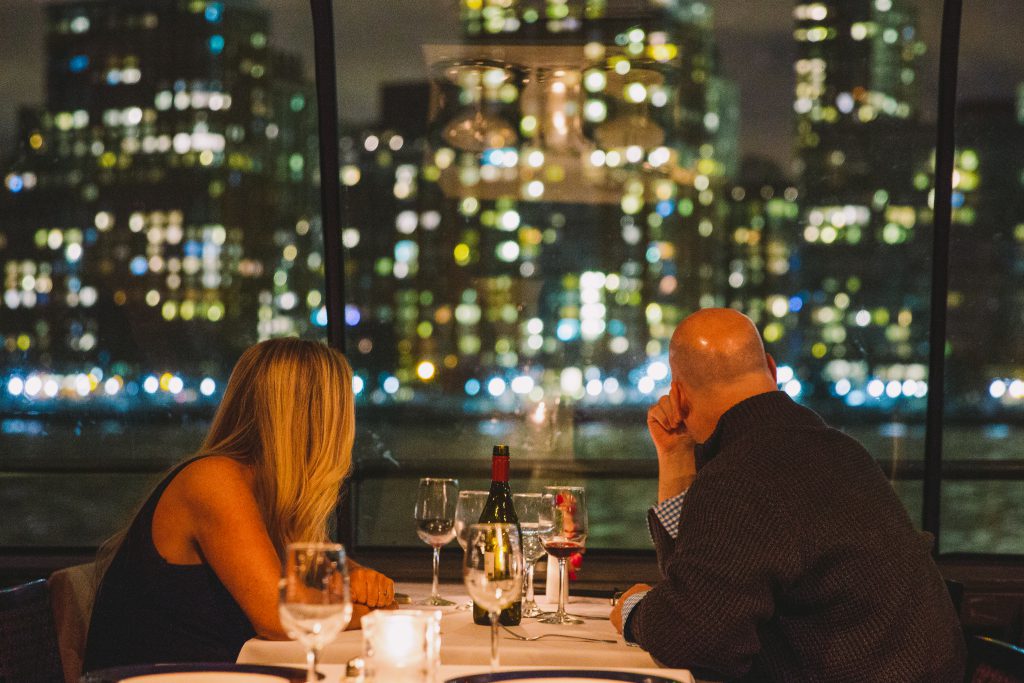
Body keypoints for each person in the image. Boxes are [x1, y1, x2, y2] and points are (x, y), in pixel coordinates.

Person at [610, 308, 965, 681]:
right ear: (772, 368)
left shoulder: (738, 476)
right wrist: (677, 455)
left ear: (679, 396)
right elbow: (695, 586)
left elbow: (696, 636)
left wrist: (635, 609)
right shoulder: (843, 451)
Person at [84, 338, 395, 671]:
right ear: (317, 418)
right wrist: (372, 614)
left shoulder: (265, 494)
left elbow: (299, 588)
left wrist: (350, 578)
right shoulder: (214, 480)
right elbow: (278, 617)